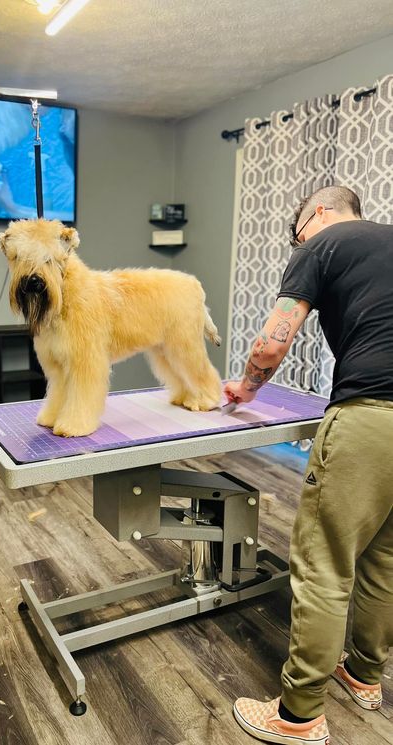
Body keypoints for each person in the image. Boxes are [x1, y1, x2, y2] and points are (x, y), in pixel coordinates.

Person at [225, 185, 393, 745]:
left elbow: (274, 342)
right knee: (384, 559)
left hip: (371, 415)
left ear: (316, 215)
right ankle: (364, 676)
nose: (297, 242)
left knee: (324, 564)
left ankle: (298, 716)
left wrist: (246, 387)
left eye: (296, 232)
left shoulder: (323, 244)